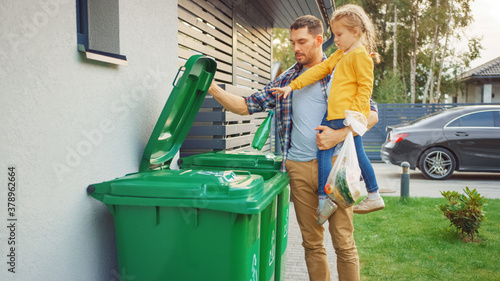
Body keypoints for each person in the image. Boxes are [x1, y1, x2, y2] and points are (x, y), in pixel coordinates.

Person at [208, 15, 378, 281]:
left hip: (335, 166)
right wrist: (213, 88)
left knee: (343, 244)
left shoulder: (342, 66)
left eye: (302, 42)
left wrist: (338, 135)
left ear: (319, 40)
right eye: (292, 43)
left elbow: (371, 114)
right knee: (312, 244)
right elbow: (245, 105)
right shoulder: (287, 80)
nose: (296, 48)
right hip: (298, 169)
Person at [271, 4, 385, 225]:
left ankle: (327, 200)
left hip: (343, 116)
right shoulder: (341, 53)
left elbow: (365, 88)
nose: (337, 39)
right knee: (358, 154)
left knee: (324, 151)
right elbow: (320, 70)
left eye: (340, 34)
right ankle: (373, 195)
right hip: (338, 114)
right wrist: (292, 86)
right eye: (334, 34)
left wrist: (356, 117)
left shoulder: (360, 56)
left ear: (356, 31)